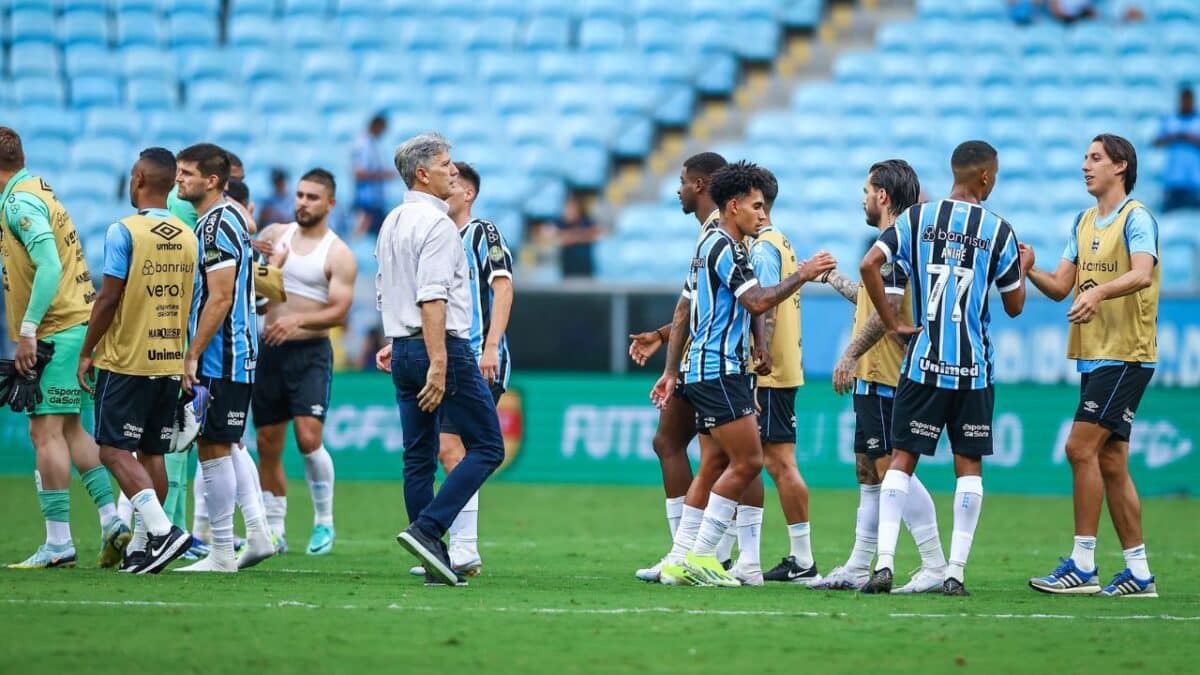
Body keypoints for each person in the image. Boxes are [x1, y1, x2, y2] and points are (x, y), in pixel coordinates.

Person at [652, 161, 835, 587]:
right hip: (719, 369)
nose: (763, 214)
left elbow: (705, 306)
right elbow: (756, 300)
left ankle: (680, 559)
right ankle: (703, 556)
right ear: (733, 206)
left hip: (708, 368)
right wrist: (803, 274)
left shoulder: (713, 244)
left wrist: (757, 346)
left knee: (715, 461)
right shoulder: (727, 248)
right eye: (756, 206)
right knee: (750, 461)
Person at [860, 140, 1028, 597]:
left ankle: (886, 563)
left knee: (901, 460)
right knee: (968, 465)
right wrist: (1024, 266)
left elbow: (869, 263)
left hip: (923, 362)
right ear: (986, 178)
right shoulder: (999, 231)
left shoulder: (917, 218)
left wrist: (893, 322)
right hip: (973, 367)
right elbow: (1014, 306)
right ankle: (954, 571)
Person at [1025, 134, 1160, 598]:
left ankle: (1083, 564)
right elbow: (1062, 286)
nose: (1085, 165)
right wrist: (1028, 270)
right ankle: (1139, 574)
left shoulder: (1136, 218)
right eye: (1085, 157)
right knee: (1111, 461)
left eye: (1095, 158)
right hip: (1095, 353)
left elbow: (1142, 272)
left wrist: (1098, 292)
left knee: (1079, 449)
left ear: (1120, 166)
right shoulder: (1083, 221)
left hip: (1126, 353)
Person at [374, 132, 505, 586]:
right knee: (489, 446)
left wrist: (399, 340)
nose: (455, 171)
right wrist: (438, 361)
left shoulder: (391, 221)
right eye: (447, 164)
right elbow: (432, 299)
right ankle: (429, 531)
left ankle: (434, 557)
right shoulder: (439, 225)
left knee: (418, 456)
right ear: (423, 174)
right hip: (440, 347)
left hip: (401, 343)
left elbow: (387, 289)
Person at [811, 160, 948, 593]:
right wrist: (836, 280)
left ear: (882, 196)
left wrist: (848, 355)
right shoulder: (894, 244)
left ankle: (935, 562)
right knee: (869, 470)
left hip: (890, 374)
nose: (863, 197)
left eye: (867, 190)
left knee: (894, 470)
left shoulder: (898, 243)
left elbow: (883, 314)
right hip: (875, 375)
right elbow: (877, 304)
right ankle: (857, 564)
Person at [0, 127, 126, 570]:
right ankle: (111, 520)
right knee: (71, 429)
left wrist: (30, 331)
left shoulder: (18, 203)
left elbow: (49, 264)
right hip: (75, 322)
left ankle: (58, 543)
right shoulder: (36, 188)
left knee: (44, 432)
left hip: (55, 328)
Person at [76, 147, 198, 574]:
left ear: (140, 178)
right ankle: (144, 549)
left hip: (127, 359)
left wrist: (87, 350)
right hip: (168, 360)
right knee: (152, 454)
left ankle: (163, 532)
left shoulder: (122, 231)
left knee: (112, 449)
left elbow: (108, 297)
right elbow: (192, 301)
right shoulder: (188, 236)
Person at [407, 162, 513, 578]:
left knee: (454, 449)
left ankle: (462, 548)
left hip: (475, 359)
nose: (443, 192)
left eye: (453, 187)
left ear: (466, 194)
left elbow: (503, 288)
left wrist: (490, 348)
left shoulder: (481, 233)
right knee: (449, 451)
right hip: (443, 357)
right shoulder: (437, 238)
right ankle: (456, 548)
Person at [627, 152, 726, 583]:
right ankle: (682, 552)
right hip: (694, 358)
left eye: (684, 181)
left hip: (718, 360)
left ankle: (709, 554)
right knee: (668, 442)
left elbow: (738, 303)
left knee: (728, 456)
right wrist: (663, 336)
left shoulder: (724, 231)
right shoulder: (709, 233)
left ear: (701, 185)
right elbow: (696, 304)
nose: (679, 189)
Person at [172, 143, 271, 573]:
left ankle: (220, 553)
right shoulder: (226, 219)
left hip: (221, 355)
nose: (179, 180)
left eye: (186, 173)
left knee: (211, 446)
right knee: (224, 444)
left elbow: (220, 296)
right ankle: (257, 534)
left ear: (212, 181)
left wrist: (192, 354)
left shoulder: (214, 227)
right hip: (235, 351)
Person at [251, 169, 357, 557]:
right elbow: (258, 299)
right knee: (267, 443)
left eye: (312, 197)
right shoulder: (274, 236)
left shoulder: (338, 253)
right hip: (269, 353)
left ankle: (324, 522)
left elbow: (339, 312)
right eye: (299, 195)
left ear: (330, 204)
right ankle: (275, 529)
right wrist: (269, 269)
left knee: (309, 438)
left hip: (309, 354)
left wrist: (297, 320)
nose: (302, 202)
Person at [724, 169, 821, 587]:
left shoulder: (762, 248)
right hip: (784, 368)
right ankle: (746, 555)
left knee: (769, 463)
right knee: (756, 461)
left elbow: (762, 305)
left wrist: (755, 359)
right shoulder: (782, 242)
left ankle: (792, 559)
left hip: (766, 372)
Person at [1154, 85, 1200, 213]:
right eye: (1184, 100)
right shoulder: (1171, 120)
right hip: (1173, 181)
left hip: (1195, 182)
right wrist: (1174, 137)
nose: (1186, 103)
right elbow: (1157, 142)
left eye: (1189, 100)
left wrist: (1189, 138)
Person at [352, 114, 394, 236]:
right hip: (366, 200)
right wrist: (383, 175)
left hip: (376, 200)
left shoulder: (373, 144)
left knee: (383, 235)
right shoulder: (362, 145)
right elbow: (359, 173)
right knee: (360, 233)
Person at [555, 193, 602, 278]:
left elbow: (598, 233)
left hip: (586, 269)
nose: (568, 212)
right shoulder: (561, 223)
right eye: (566, 209)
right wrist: (580, 236)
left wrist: (574, 237)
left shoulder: (586, 222)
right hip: (568, 270)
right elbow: (555, 237)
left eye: (571, 209)